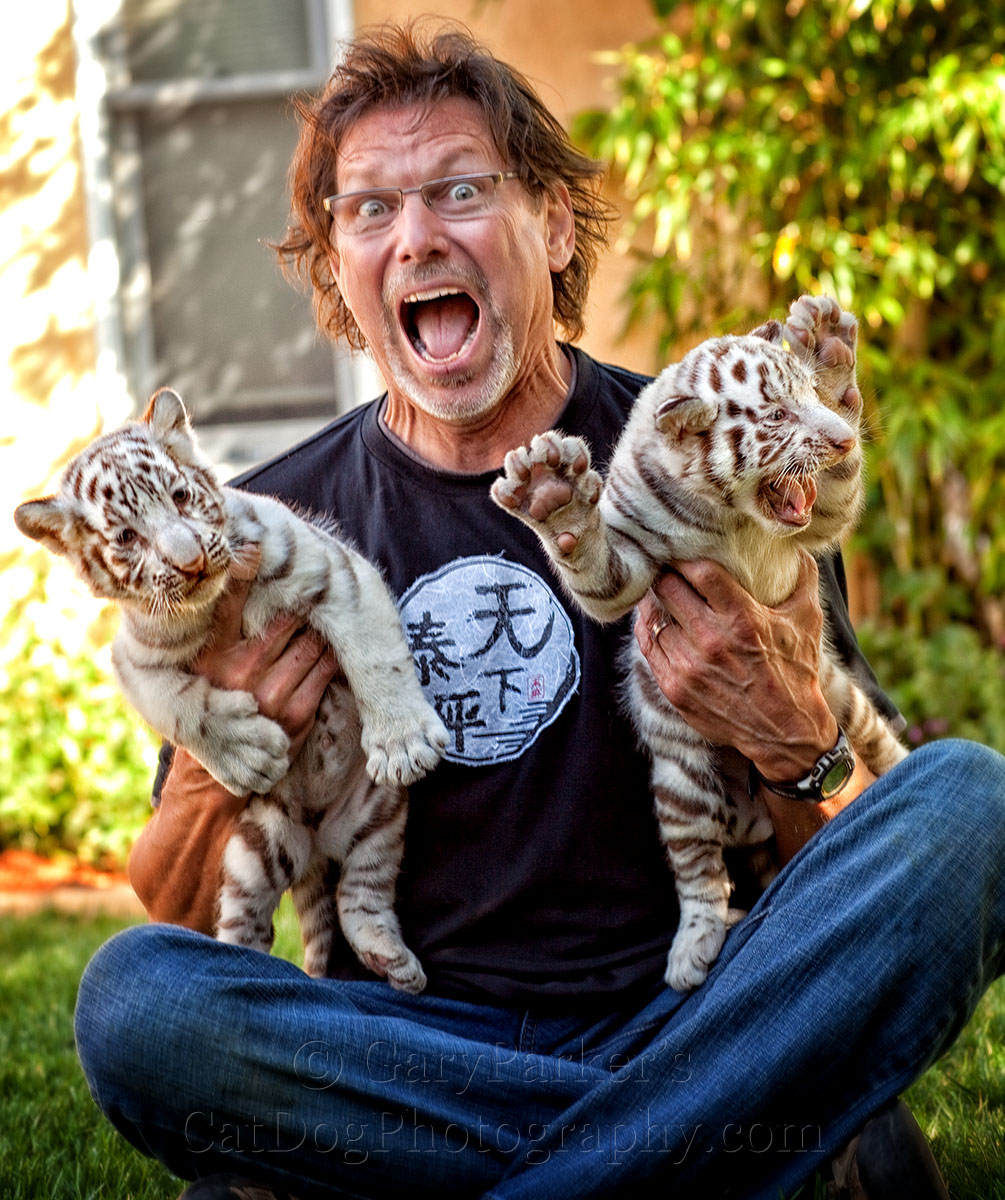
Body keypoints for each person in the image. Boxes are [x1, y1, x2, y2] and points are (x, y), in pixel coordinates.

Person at [73, 22, 1005, 1200]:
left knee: (970, 802)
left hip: (686, 1005)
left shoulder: (707, 449)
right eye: (367, 211)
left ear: (553, 227)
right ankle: (697, 1153)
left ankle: (535, 1159)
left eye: (459, 190)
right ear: (339, 270)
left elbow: (848, 855)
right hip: (406, 1045)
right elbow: (183, 905)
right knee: (138, 999)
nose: (414, 236)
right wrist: (217, 756)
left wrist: (795, 737)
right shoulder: (268, 529)